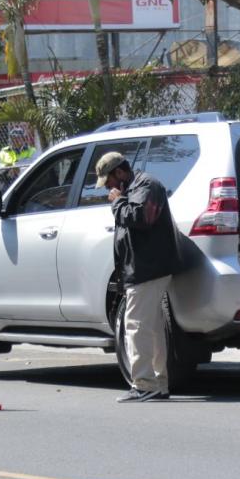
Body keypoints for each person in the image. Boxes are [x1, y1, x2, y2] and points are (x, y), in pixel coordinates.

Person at [97, 152, 182, 403]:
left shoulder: (147, 185)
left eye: (110, 181)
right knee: (151, 328)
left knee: (136, 326)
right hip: (142, 269)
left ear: (120, 173)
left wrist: (118, 202)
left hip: (148, 269)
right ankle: (157, 383)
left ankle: (144, 383)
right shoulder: (136, 187)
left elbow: (140, 218)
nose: (109, 188)